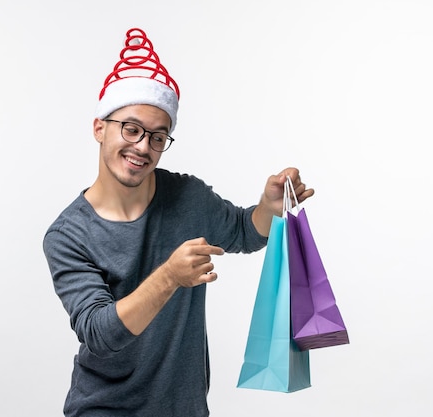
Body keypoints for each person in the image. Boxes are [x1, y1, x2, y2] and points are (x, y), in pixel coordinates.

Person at [43, 27, 315, 417]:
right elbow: (101, 334)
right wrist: (170, 276)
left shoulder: (187, 197)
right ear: (99, 128)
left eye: (158, 136)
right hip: (105, 409)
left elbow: (242, 231)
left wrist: (268, 208)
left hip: (184, 408)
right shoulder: (68, 235)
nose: (143, 147)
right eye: (132, 129)